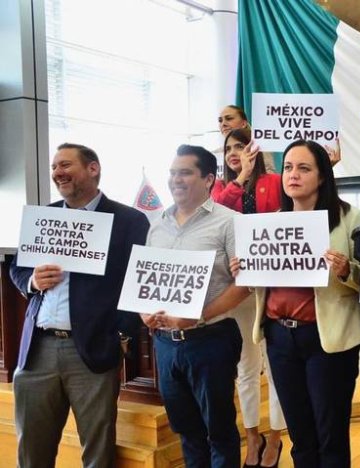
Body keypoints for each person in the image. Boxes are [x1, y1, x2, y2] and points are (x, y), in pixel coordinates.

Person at [9, 143, 150, 467]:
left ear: (93, 169)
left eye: (66, 165)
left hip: (93, 351)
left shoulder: (129, 220)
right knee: (31, 452)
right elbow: (17, 268)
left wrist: (123, 337)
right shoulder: (45, 217)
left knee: (97, 453)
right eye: (55, 166)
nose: (58, 172)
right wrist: (32, 281)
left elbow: (138, 283)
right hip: (37, 351)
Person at [231, 139, 360, 467]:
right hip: (279, 338)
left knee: (330, 435)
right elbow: (263, 283)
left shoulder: (351, 217)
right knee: (300, 434)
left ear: (322, 176)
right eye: (288, 167)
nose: (293, 175)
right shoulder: (272, 221)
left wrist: (347, 269)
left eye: (304, 168)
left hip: (328, 340)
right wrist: (245, 270)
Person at [140, 144, 251, 467]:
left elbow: (245, 284)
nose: (176, 179)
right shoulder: (157, 224)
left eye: (185, 172)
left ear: (208, 179)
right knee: (186, 430)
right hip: (165, 345)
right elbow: (145, 279)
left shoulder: (231, 222)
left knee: (219, 430)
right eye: (173, 173)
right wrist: (143, 311)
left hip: (211, 339)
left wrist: (198, 317)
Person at [211, 127, 286, 468]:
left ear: (255, 148)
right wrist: (239, 177)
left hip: (274, 284)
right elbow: (215, 214)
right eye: (229, 148)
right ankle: (252, 435)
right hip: (237, 287)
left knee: (276, 366)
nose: (234, 152)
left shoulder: (274, 180)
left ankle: (275, 436)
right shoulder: (220, 188)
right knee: (246, 365)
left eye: (241, 145)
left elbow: (289, 220)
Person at [217, 105, 342, 174]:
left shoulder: (260, 148)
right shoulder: (215, 154)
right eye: (220, 120)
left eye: (229, 118)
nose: (223, 123)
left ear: (244, 123)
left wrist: (326, 166)